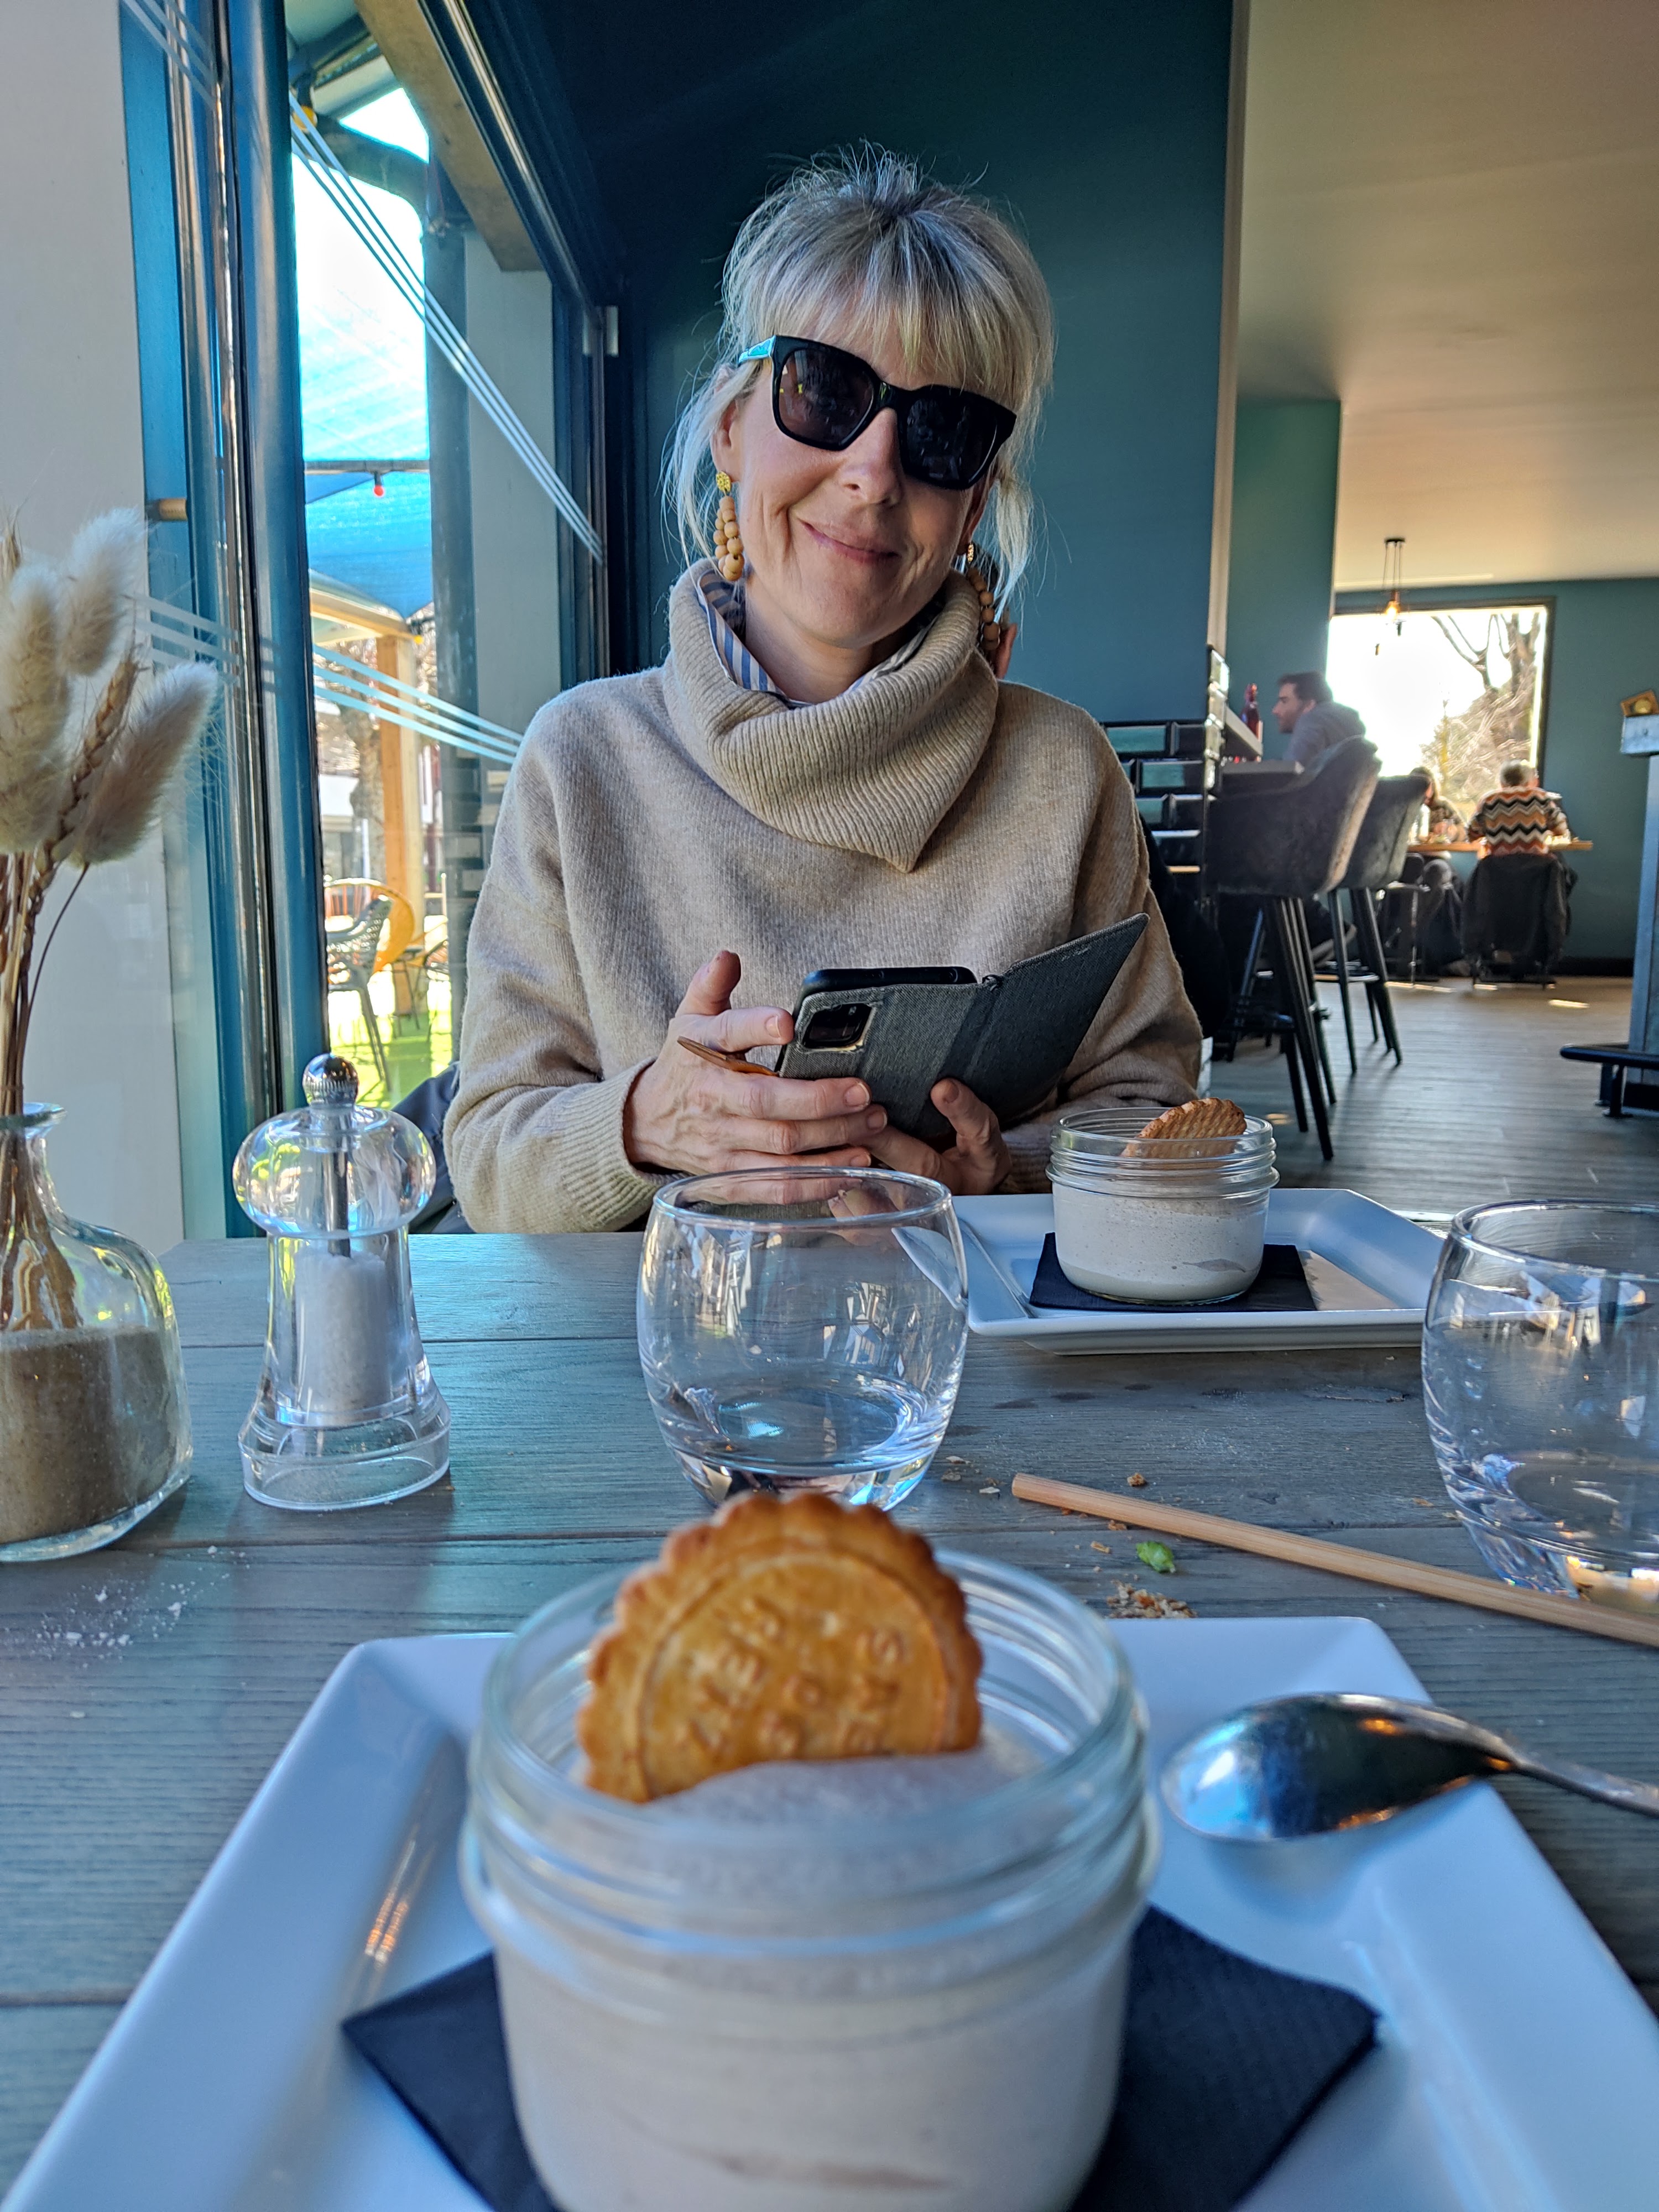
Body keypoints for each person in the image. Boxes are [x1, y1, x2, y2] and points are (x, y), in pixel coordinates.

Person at [445, 151, 1201, 1233]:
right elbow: (487, 1158)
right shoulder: (581, 760)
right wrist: (648, 1121)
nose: (874, 471)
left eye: (942, 431)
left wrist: (1004, 1178)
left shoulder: (1061, 772)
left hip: (968, 1336)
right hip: (663, 1336)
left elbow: (1155, 1109)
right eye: (826, 391)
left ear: (975, 501)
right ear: (730, 424)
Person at [1271, 672, 1370, 771]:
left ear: (1309, 704)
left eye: (1284, 701)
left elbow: (1288, 771)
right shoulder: (1351, 728)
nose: (1275, 710)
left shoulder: (1312, 719)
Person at [1466, 761, 1571, 854]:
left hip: (1497, 867)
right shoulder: (1541, 797)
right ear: (1530, 781)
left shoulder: (1489, 800)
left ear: (1502, 783)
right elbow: (1561, 829)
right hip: (1537, 866)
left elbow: (1472, 834)